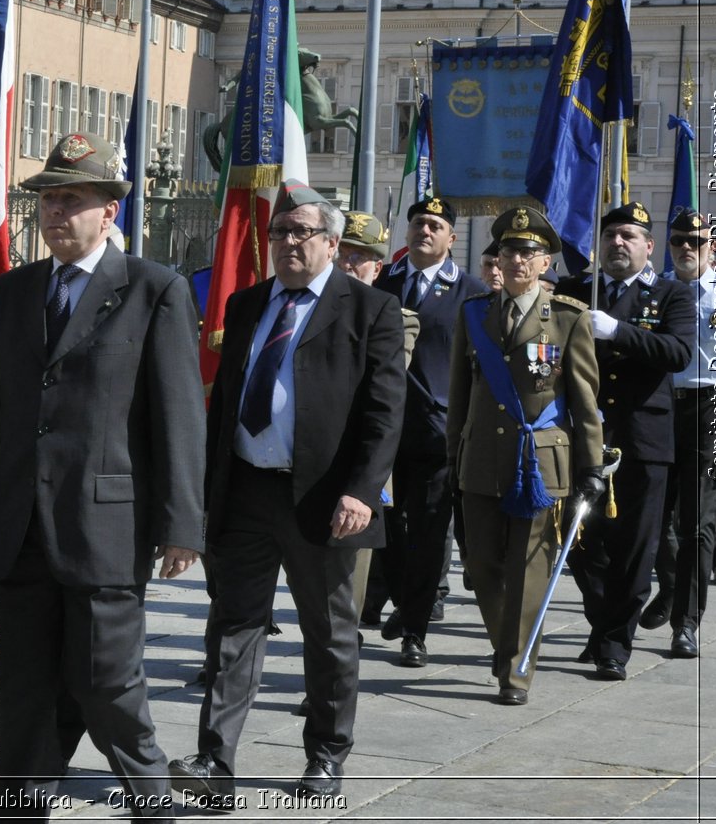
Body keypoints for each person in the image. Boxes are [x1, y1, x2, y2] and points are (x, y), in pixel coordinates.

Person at [0, 132, 203, 819]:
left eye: (73, 198)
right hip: (19, 525)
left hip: (105, 530)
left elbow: (179, 413)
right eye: (49, 197)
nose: (56, 210)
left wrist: (182, 523)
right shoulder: (13, 291)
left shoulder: (154, 289)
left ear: (110, 211)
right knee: (26, 693)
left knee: (106, 686)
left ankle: (154, 804)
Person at [169, 182, 404, 804]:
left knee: (328, 632)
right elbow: (223, 406)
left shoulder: (368, 309)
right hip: (245, 490)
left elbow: (385, 414)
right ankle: (215, 763)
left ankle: (326, 755)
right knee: (233, 627)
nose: (288, 243)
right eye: (279, 233)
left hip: (323, 501)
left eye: (301, 232)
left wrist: (361, 490)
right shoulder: (247, 305)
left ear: (332, 243)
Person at [447, 205, 604, 704]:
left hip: (540, 462)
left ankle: (515, 668)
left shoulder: (567, 319)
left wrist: (592, 465)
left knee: (529, 569)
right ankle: (506, 646)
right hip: (482, 460)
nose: (517, 259)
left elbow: (585, 401)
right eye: (509, 250)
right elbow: (459, 394)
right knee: (484, 566)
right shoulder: (473, 314)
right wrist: (454, 455)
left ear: (545, 263)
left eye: (529, 252)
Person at [555, 201, 694, 679]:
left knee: (635, 547)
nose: (618, 242)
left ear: (648, 247)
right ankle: (603, 622)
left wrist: (619, 330)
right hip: (583, 437)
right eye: (611, 234)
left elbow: (677, 352)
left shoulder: (673, 295)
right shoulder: (576, 290)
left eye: (629, 236)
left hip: (642, 438)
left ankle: (615, 644)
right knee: (578, 541)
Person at [371, 198, 487, 667]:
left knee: (427, 530)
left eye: (435, 226)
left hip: (435, 432)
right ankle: (405, 599)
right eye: (419, 223)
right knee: (385, 530)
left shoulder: (471, 293)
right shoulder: (384, 284)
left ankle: (415, 629)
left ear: (451, 240)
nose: (425, 231)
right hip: (383, 430)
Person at [644, 209, 716, 660]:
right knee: (652, 516)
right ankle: (673, 584)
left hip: (707, 406)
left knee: (698, 521)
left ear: (712, 247)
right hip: (658, 405)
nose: (684, 248)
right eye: (678, 240)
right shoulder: (654, 292)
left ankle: (687, 623)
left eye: (695, 242)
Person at [334, 211, 419, 651]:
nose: (350, 263)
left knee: (348, 580)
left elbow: (382, 385)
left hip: (359, 466)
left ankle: (334, 669)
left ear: (377, 268)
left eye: (361, 257)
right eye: (344, 253)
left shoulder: (395, 318)